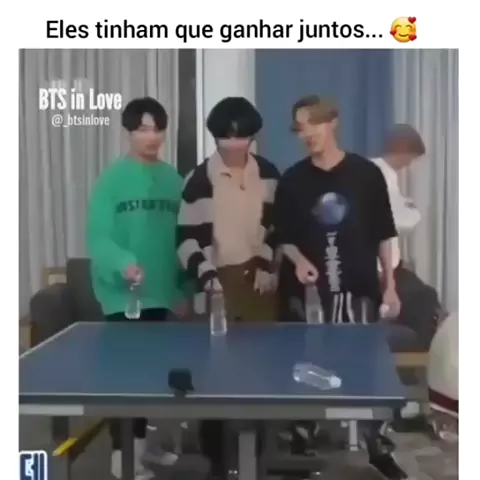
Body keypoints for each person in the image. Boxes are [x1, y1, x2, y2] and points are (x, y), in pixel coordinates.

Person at [274, 95, 406, 479]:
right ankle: (301, 445)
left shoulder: (367, 174)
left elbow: (384, 234)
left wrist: (390, 285)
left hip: (358, 291)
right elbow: (283, 236)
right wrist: (298, 260)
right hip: (308, 296)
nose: (308, 134)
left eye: (314, 123)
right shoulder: (292, 180)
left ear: (333, 122)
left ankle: (378, 449)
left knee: (368, 371)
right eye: (301, 128)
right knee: (304, 370)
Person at [177, 96, 280, 477]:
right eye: (225, 137)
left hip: (259, 285)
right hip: (217, 283)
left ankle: (260, 461)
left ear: (253, 137)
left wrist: (267, 264)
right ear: (215, 137)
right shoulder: (198, 179)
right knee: (214, 379)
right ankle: (217, 464)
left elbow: (277, 225)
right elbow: (185, 239)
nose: (233, 145)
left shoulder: (269, 174)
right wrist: (206, 275)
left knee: (263, 374)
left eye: (241, 137)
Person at [86, 97, 188, 480]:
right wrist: (123, 263)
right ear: (128, 132)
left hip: (162, 294)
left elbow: (182, 238)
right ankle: (122, 457)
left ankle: (144, 446)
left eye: (158, 129)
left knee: (152, 377)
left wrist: (183, 288)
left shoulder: (173, 180)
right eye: (143, 129)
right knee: (126, 379)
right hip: (122, 297)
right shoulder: (111, 181)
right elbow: (98, 237)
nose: (152, 137)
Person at [371, 125, 440, 349]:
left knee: (422, 298)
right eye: (410, 158)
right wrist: (414, 212)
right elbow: (393, 221)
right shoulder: (382, 175)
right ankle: (418, 358)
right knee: (426, 299)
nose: (409, 165)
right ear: (404, 152)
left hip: (384, 264)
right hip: (380, 268)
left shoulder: (376, 171)